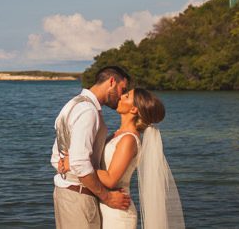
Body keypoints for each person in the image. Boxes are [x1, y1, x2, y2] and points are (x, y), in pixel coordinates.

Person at [58, 88, 185, 229]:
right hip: (105, 205)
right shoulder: (117, 134)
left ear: (134, 109)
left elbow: (111, 179)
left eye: (127, 95)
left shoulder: (129, 140)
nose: (121, 96)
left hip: (118, 213)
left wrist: (75, 163)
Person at [51, 65, 132, 228]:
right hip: (79, 197)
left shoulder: (73, 104)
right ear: (111, 82)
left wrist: (68, 166)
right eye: (122, 89)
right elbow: (79, 162)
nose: (121, 96)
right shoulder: (88, 111)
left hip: (66, 194)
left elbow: (55, 158)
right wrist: (107, 198)